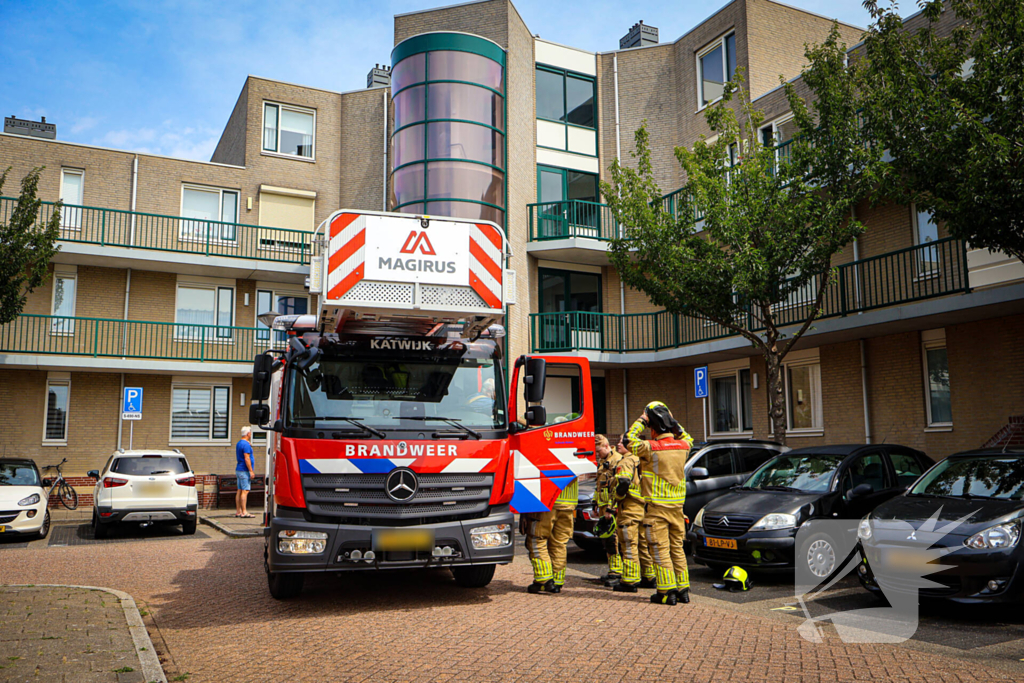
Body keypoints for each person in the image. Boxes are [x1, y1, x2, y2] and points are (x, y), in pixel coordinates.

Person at [626, 401, 694, 605]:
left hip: (657, 509)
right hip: (677, 509)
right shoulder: (684, 445)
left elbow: (629, 440)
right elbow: (686, 435)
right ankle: (683, 590)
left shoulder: (650, 447)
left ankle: (666, 592)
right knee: (677, 550)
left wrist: (641, 420)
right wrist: (672, 420)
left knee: (659, 550)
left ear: (652, 429)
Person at [523, 460, 579, 594]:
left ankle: (544, 580)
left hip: (548, 503)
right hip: (568, 506)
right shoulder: (575, 454)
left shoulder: (550, 452)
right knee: (559, 544)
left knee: (537, 540)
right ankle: (557, 581)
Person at [612, 433, 654, 592]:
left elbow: (623, 481)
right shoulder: (644, 460)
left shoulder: (627, 460)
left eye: (622, 441)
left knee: (629, 545)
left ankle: (629, 581)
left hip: (629, 509)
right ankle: (649, 577)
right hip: (644, 509)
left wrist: (617, 497)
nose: (618, 444)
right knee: (643, 545)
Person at [593, 434, 623, 586]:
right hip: (603, 508)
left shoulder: (616, 460)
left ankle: (617, 572)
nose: (597, 454)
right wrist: (594, 502)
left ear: (606, 446)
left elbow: (617, 488)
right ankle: (612, 570)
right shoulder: (603, 460)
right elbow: (599, 484)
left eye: (599, 451)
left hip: (611, 509)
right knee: (606, 540)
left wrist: (611, 509)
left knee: (613, 540)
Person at [235, 426, 256, 518]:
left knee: (239, 490)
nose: (251, 434)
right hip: (244, 470)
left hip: (239, 469)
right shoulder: (246, 445)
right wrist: (251, 471)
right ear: (248, 433)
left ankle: (238, 511)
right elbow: (247, 458)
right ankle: (244, 512)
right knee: (245, 491)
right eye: (250, 432)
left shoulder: (239, 443)